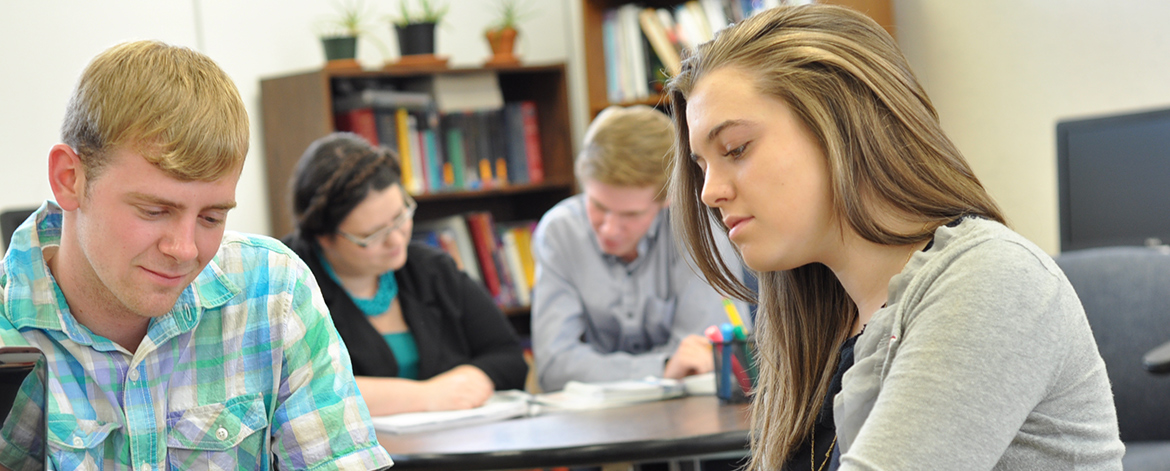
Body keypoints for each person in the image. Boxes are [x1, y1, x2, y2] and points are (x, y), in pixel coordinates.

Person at [666, 5, 1124, 470]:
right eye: (701, 166)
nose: (709, 193)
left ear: (843, 123)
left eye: (736, 149)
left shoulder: (994, 281)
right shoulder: (816, 314)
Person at [0, 41, 393, 470]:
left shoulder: (273, 292)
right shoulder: (8, 329)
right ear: (69, 179)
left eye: (210, 217)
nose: (184, 249)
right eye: (154, 211)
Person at [282, 132, 529, 416]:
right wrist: (428, 396)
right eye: (373, 235)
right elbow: (304, 390)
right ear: (323, 237)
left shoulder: (431, 269)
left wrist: (474, 379)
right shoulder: (288, 283)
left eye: (400, 217)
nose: (397, 241)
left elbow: (508, 356)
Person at [531, 105, 749, 393]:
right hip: (594, 424)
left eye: (630, 215)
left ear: (668, 198)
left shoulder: (699, 226)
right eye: (598, 206)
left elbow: (706, 360)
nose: (609, 228)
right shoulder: (559, 232)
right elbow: (554, 368)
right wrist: (663, 368)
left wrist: (603, 372)